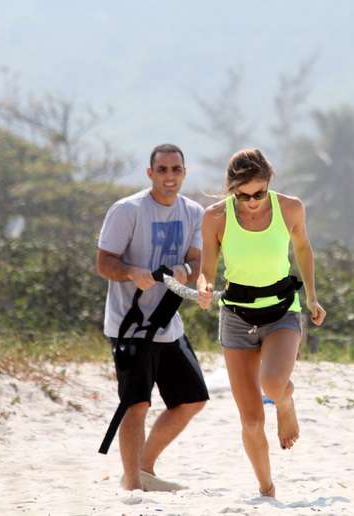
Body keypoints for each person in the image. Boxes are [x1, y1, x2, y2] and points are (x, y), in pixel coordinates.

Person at [196, 148, 326, 498]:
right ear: (231, 190)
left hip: (282, 311)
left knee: (272, 385)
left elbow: (303, 250)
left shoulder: (290, 208)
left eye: (258, 193)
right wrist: (204, 287)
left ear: (269, 183)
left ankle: (285, 402)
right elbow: (207, 269)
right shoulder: (214, 218)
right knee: (252, 420)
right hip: (236, 316)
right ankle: (267, 489)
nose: (252, 201)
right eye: (242, 195)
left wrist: (312, 296)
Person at [96, 143, 208, 491]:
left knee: (192, 400)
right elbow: (104, 263)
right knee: (136, 405)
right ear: (150, 173)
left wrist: (189, 273)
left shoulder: (193, 212)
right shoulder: (127, 210)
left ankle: (143, 466)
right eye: (162, 170)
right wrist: (131, 272)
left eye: (176, 170)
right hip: (130, 326)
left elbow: (198, 261)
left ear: (184, 173)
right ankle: (132, 485)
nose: (170, 177)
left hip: (168, 323)